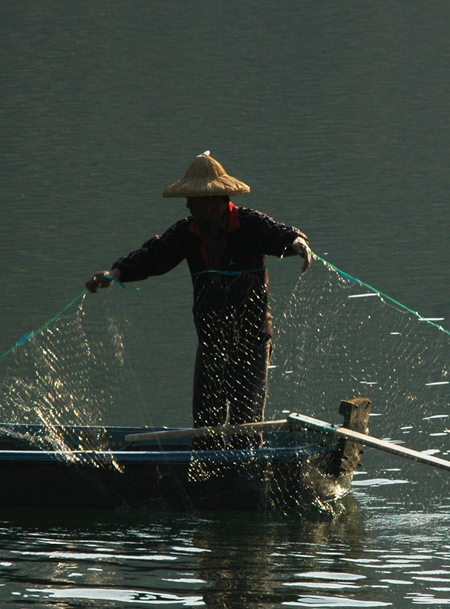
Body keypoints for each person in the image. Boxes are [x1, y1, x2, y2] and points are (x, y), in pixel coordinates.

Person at [86, 152, 311, 431]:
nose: (188, 203)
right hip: (212, 340)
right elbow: (154, 254)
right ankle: (210, 469)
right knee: (206, 425)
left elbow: (284, 236)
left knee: (246, 424)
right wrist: (115, 274)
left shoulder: (249, 224)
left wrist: (298, 244)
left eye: (194, 197)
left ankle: (246, 471)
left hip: (251, 339)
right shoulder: (188, 231)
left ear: (212, 200)